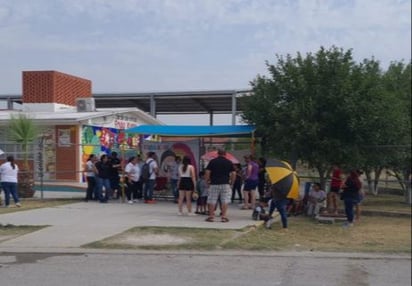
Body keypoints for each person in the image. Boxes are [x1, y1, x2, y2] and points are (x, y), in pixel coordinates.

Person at [204, 149, 236, 223]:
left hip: (214, 183)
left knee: (212, 200)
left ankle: (211, 216)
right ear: (225, 154)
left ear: (217, 154)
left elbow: (207, 172)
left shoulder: (212, 162)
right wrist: (231, 182)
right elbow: (234, 173)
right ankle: (224, 217)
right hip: (225, 183)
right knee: (225, 200)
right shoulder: (229, 162)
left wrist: (207, 181)